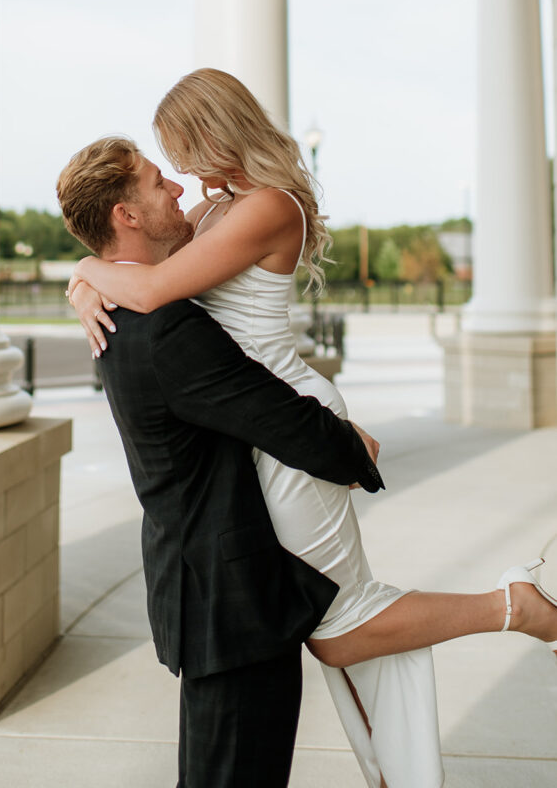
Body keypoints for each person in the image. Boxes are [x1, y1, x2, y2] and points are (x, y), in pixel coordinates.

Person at [65, 70, 557, 788]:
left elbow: (142, 285)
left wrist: (83, 271)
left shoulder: (269, 206)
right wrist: (89, 275)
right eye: (161, 165)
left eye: (179, 149)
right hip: (255, 426)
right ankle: (494, 637)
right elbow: (134, 261)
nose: (178, 173)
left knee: (339, 625)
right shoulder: (213, 212)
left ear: (213, 132)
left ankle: (519, 608)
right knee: (328, 624)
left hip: (288, 423)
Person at [56, 136, 386, 788]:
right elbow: (273, 415)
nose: (178, 186)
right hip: (230, 607)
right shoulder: (169, 330)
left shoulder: (123, 308)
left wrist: (84, 273)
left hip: (207, 593)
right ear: (125, 216)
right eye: (157, 182)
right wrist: (353, 450)